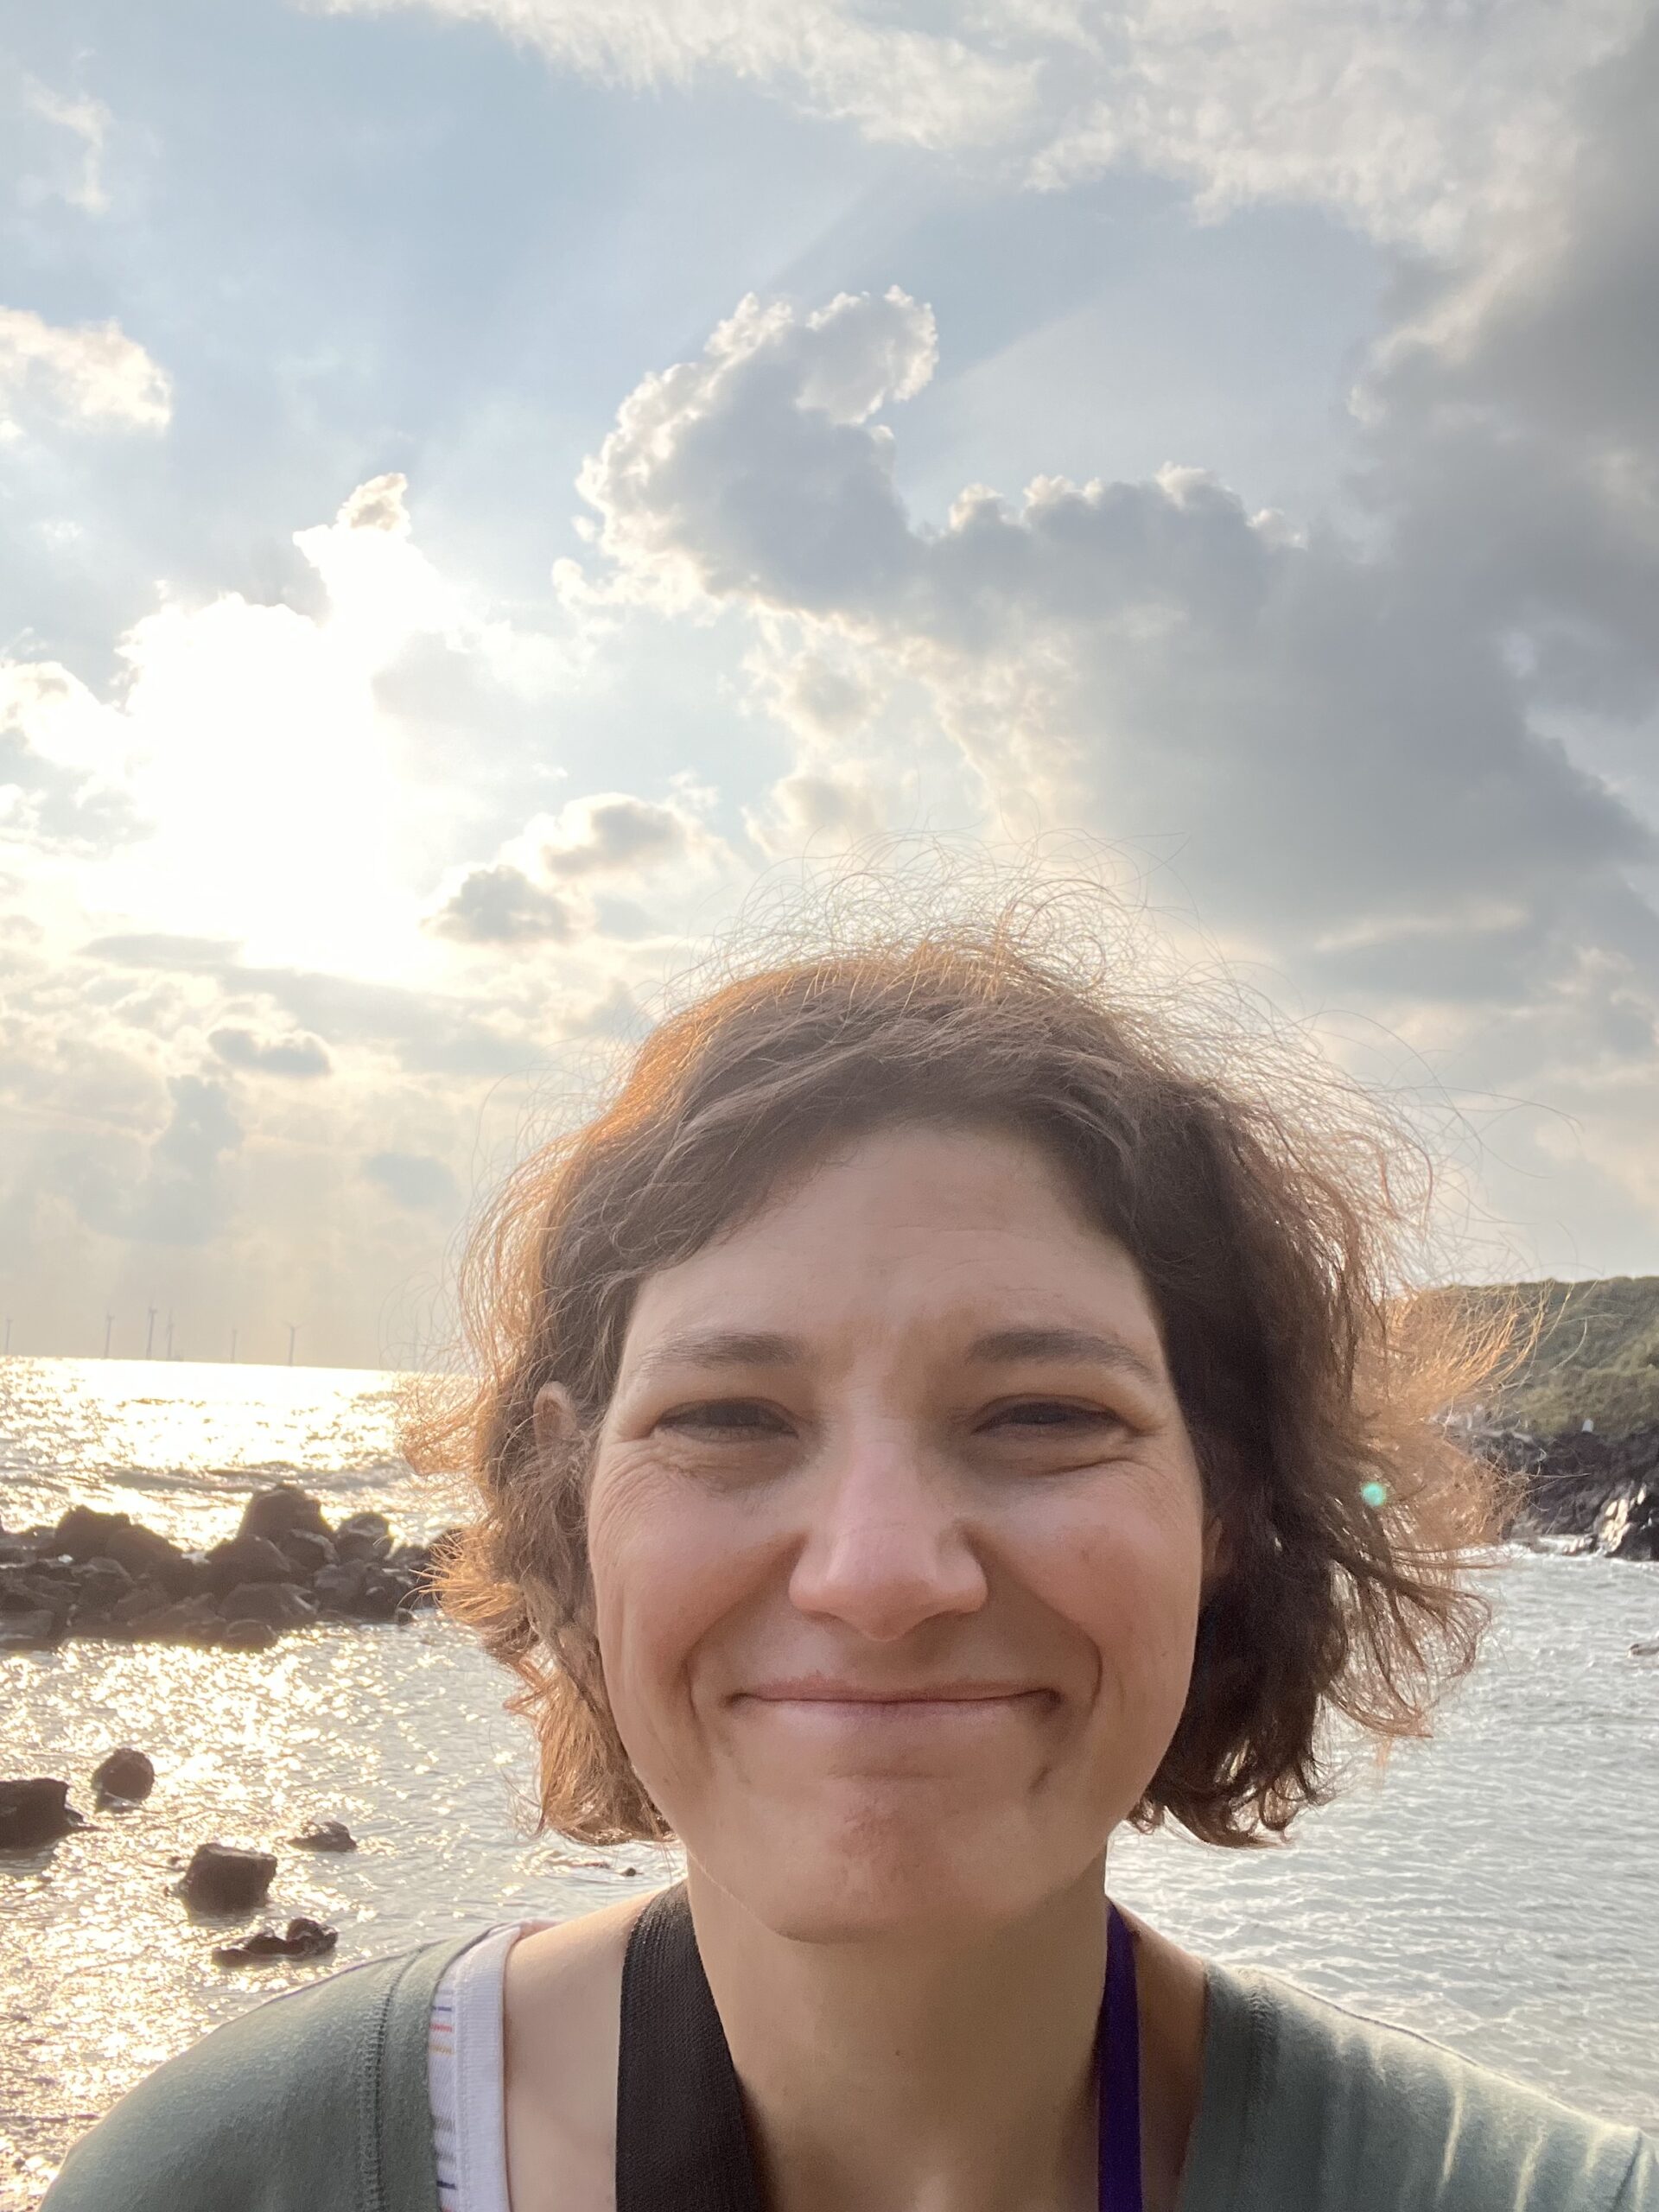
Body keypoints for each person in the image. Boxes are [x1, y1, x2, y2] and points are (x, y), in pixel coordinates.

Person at [44, 921, 1659, 2210]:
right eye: (732, 1415)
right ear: (571, 1498)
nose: (881, 1575)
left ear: (1224, 1504)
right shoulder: (232, 2182)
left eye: (1041, 1413)